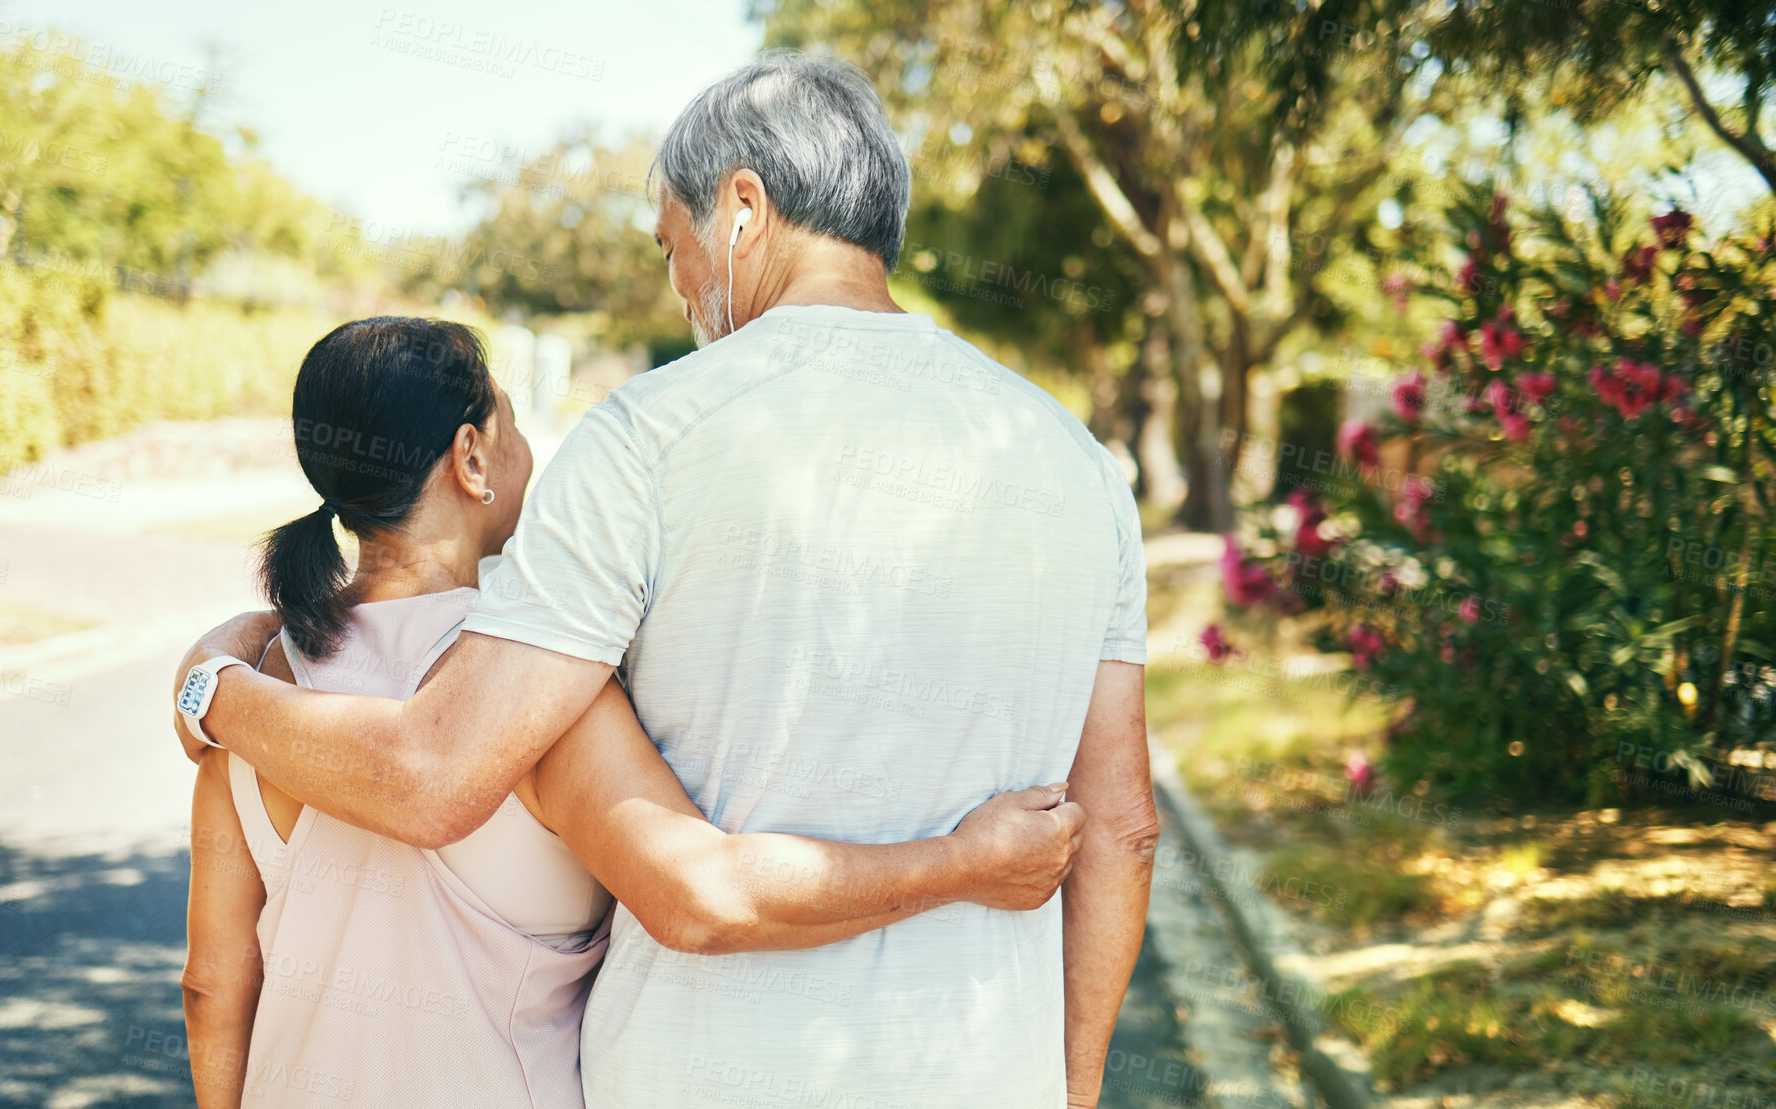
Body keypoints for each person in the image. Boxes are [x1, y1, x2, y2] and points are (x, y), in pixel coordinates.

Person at [176, 51, 1155, 1108]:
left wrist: (213, 685)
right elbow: (1124, 826)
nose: (680, 285)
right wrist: (1071, 1085)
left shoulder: (650, 436)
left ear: (742, 207)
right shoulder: (1074, 462)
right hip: (981, 1071)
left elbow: (437, 771)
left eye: (671, 246)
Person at [181, 316, 1086, 1107]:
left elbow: (214, 984)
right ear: (469, 457)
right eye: (511, 421)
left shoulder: (256, 687)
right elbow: (704, 894)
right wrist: (964, 862)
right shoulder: (528, 697)